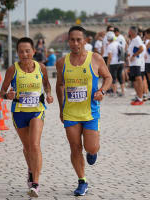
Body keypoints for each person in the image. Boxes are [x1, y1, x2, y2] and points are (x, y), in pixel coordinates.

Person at [56, 26, 112, 196]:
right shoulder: (61, 63)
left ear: (85, 41)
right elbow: (59, 85)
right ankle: (82, 181)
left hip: (90, 113)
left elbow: (108, 77)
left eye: (78, 39)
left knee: (91, 147)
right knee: (75, 147)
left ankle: (93, 152)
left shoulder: (95, 58)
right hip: (71, 112)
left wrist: (102, 91)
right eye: (72, 40)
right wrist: (61, 108)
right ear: (68, 41)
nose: (75, 43)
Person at [0, 37, 53, 197]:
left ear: (33, 51)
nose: (24, 54)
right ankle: (31, 169)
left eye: (27, 51)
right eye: (21, 51)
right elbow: (1, 92)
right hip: (19, 112)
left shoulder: (41, 67)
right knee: (27, 147)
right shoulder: (12, 69)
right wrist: (7, 95)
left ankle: (35, 183)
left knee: (35, 145)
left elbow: (47, 85)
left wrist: (49, 94)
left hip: (37, 110)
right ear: (17, 53)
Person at [127, 26, 144, 105]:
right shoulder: (133, 40)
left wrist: (134, 55)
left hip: (137, 62)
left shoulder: (137, 39)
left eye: (129, 31)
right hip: (132, 63)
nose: (128, 32)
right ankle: (138, 96)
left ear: (132, 31)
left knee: (138, 79)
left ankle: (140, 98)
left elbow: (141, 49)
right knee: (134, 80)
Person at [106, 31, 121, 96]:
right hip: (120, 62)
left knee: (113, 78)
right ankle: (122, 91)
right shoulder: (118, 44)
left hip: (113, 63)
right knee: (120, 77)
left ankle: (114, 92)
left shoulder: (110, 46)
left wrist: (107, 65)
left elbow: (110, 57)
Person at [114, 27, 127, 96]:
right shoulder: (121, 37)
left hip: (119, 56)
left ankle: (121, 87)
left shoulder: (119, 38)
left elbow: (120, 48)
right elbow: (126, 46)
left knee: (120, 73)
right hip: (121, 55)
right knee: (121, 72)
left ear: (116, 32)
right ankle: (122, 87)